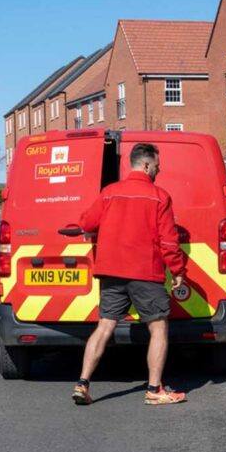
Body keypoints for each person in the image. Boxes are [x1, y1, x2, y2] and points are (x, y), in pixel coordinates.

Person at [72, 143, 187, 406]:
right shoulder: (160, 196)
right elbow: (168, 241)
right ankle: (154, 389)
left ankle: (82, 383)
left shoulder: (109, 192)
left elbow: (87, 223)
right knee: (158, 328)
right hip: (145, 272)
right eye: (157, 165)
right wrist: (178, 270)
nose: (159, 169)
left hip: (111, 272)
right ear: (146, 165)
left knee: (104, 327)